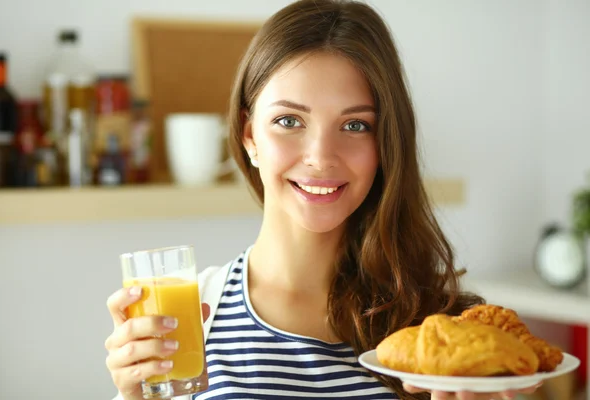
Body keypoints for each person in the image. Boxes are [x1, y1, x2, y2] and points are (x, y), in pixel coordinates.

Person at [104, 1, 543, 399]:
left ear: (386, 145)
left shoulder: (446, 330)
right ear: (249, 134)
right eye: (289, 120)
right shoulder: (188, 322)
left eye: (355, 126)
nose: (320, 157)